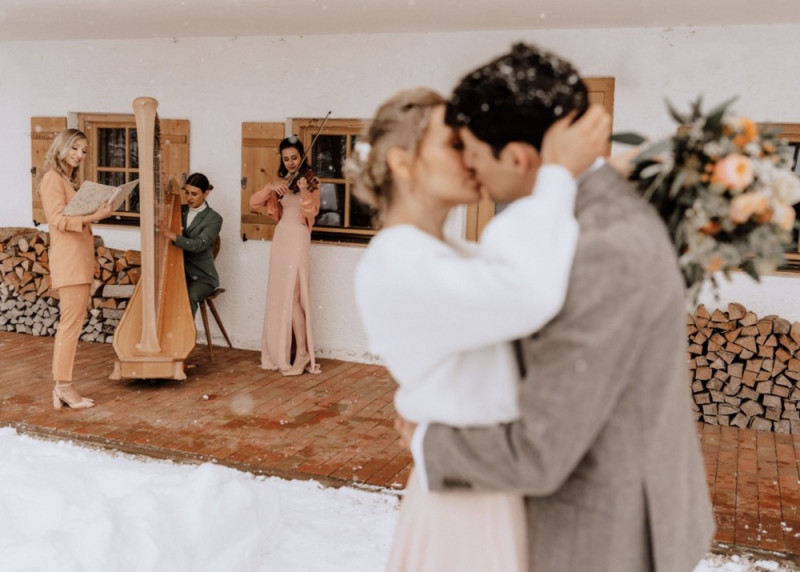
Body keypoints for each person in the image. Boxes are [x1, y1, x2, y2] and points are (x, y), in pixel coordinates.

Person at [395, 43, 715, 571]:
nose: (471, 172)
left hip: (604, 534)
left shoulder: (599, 246)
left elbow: (540, 451)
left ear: (519, 158)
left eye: (473, 153)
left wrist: (429, 442)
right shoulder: (593, 205)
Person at [351, 88, 610, 570]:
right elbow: (527, 295)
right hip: (467, 501)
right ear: (404, 164)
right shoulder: (394, 261)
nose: (473, 155)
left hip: (495, 475)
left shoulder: (458, 255)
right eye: (454, 144)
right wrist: (555, 173)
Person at [39, 128, 113, 409]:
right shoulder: (52, 179)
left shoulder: (66, 180)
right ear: (61, 147)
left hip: (78, 260)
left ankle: (64, 386)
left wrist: (93, 211)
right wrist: (95, 215)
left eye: (83, 150)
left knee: (72, 324)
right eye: (75, 148)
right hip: (69, 261)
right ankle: (63, 386)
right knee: (70, 326)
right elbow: (57, 220)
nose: (80, 155)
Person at [249, 136, 321, 376]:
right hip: (281, 239)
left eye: (294, 158)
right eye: (287, 158)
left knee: (293, 297)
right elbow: (253, 201)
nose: (291, 162)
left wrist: (304, 192)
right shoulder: (281, 183)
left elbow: (312, 213)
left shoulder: (311, 182)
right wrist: (269, 187)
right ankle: (286, 349)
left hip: (298, 237)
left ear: (302, 157)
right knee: (282, 295)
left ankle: (303, 352)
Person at [158, 172, 222, 317]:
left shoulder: (214, 219)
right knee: (161, 293)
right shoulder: (179, 210)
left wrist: (173, 235)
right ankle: (162, 333)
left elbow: (198, 245)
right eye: (186, 193)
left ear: (206, 193)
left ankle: (183, 336)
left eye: (194, 194)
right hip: (178, 271)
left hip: (202, 276)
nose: (189, 198)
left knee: (188, 296)